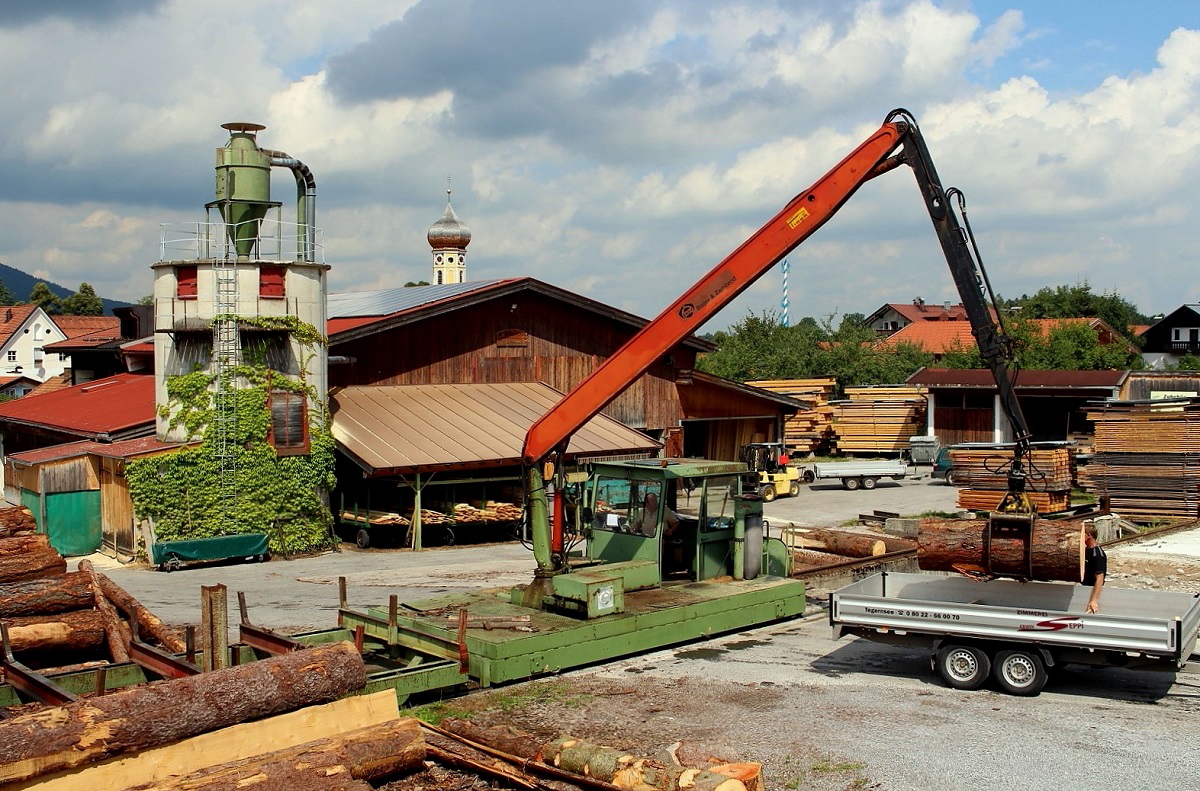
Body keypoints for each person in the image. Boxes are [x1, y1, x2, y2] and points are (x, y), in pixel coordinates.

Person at [1082, 523, 1106, 613]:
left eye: (1082, 535)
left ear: (1089, 536)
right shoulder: (1087, 550)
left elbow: (1100, 579)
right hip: (1084, 588)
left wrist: (1094, 600)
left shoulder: (1097, 555)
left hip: (1091, 590)